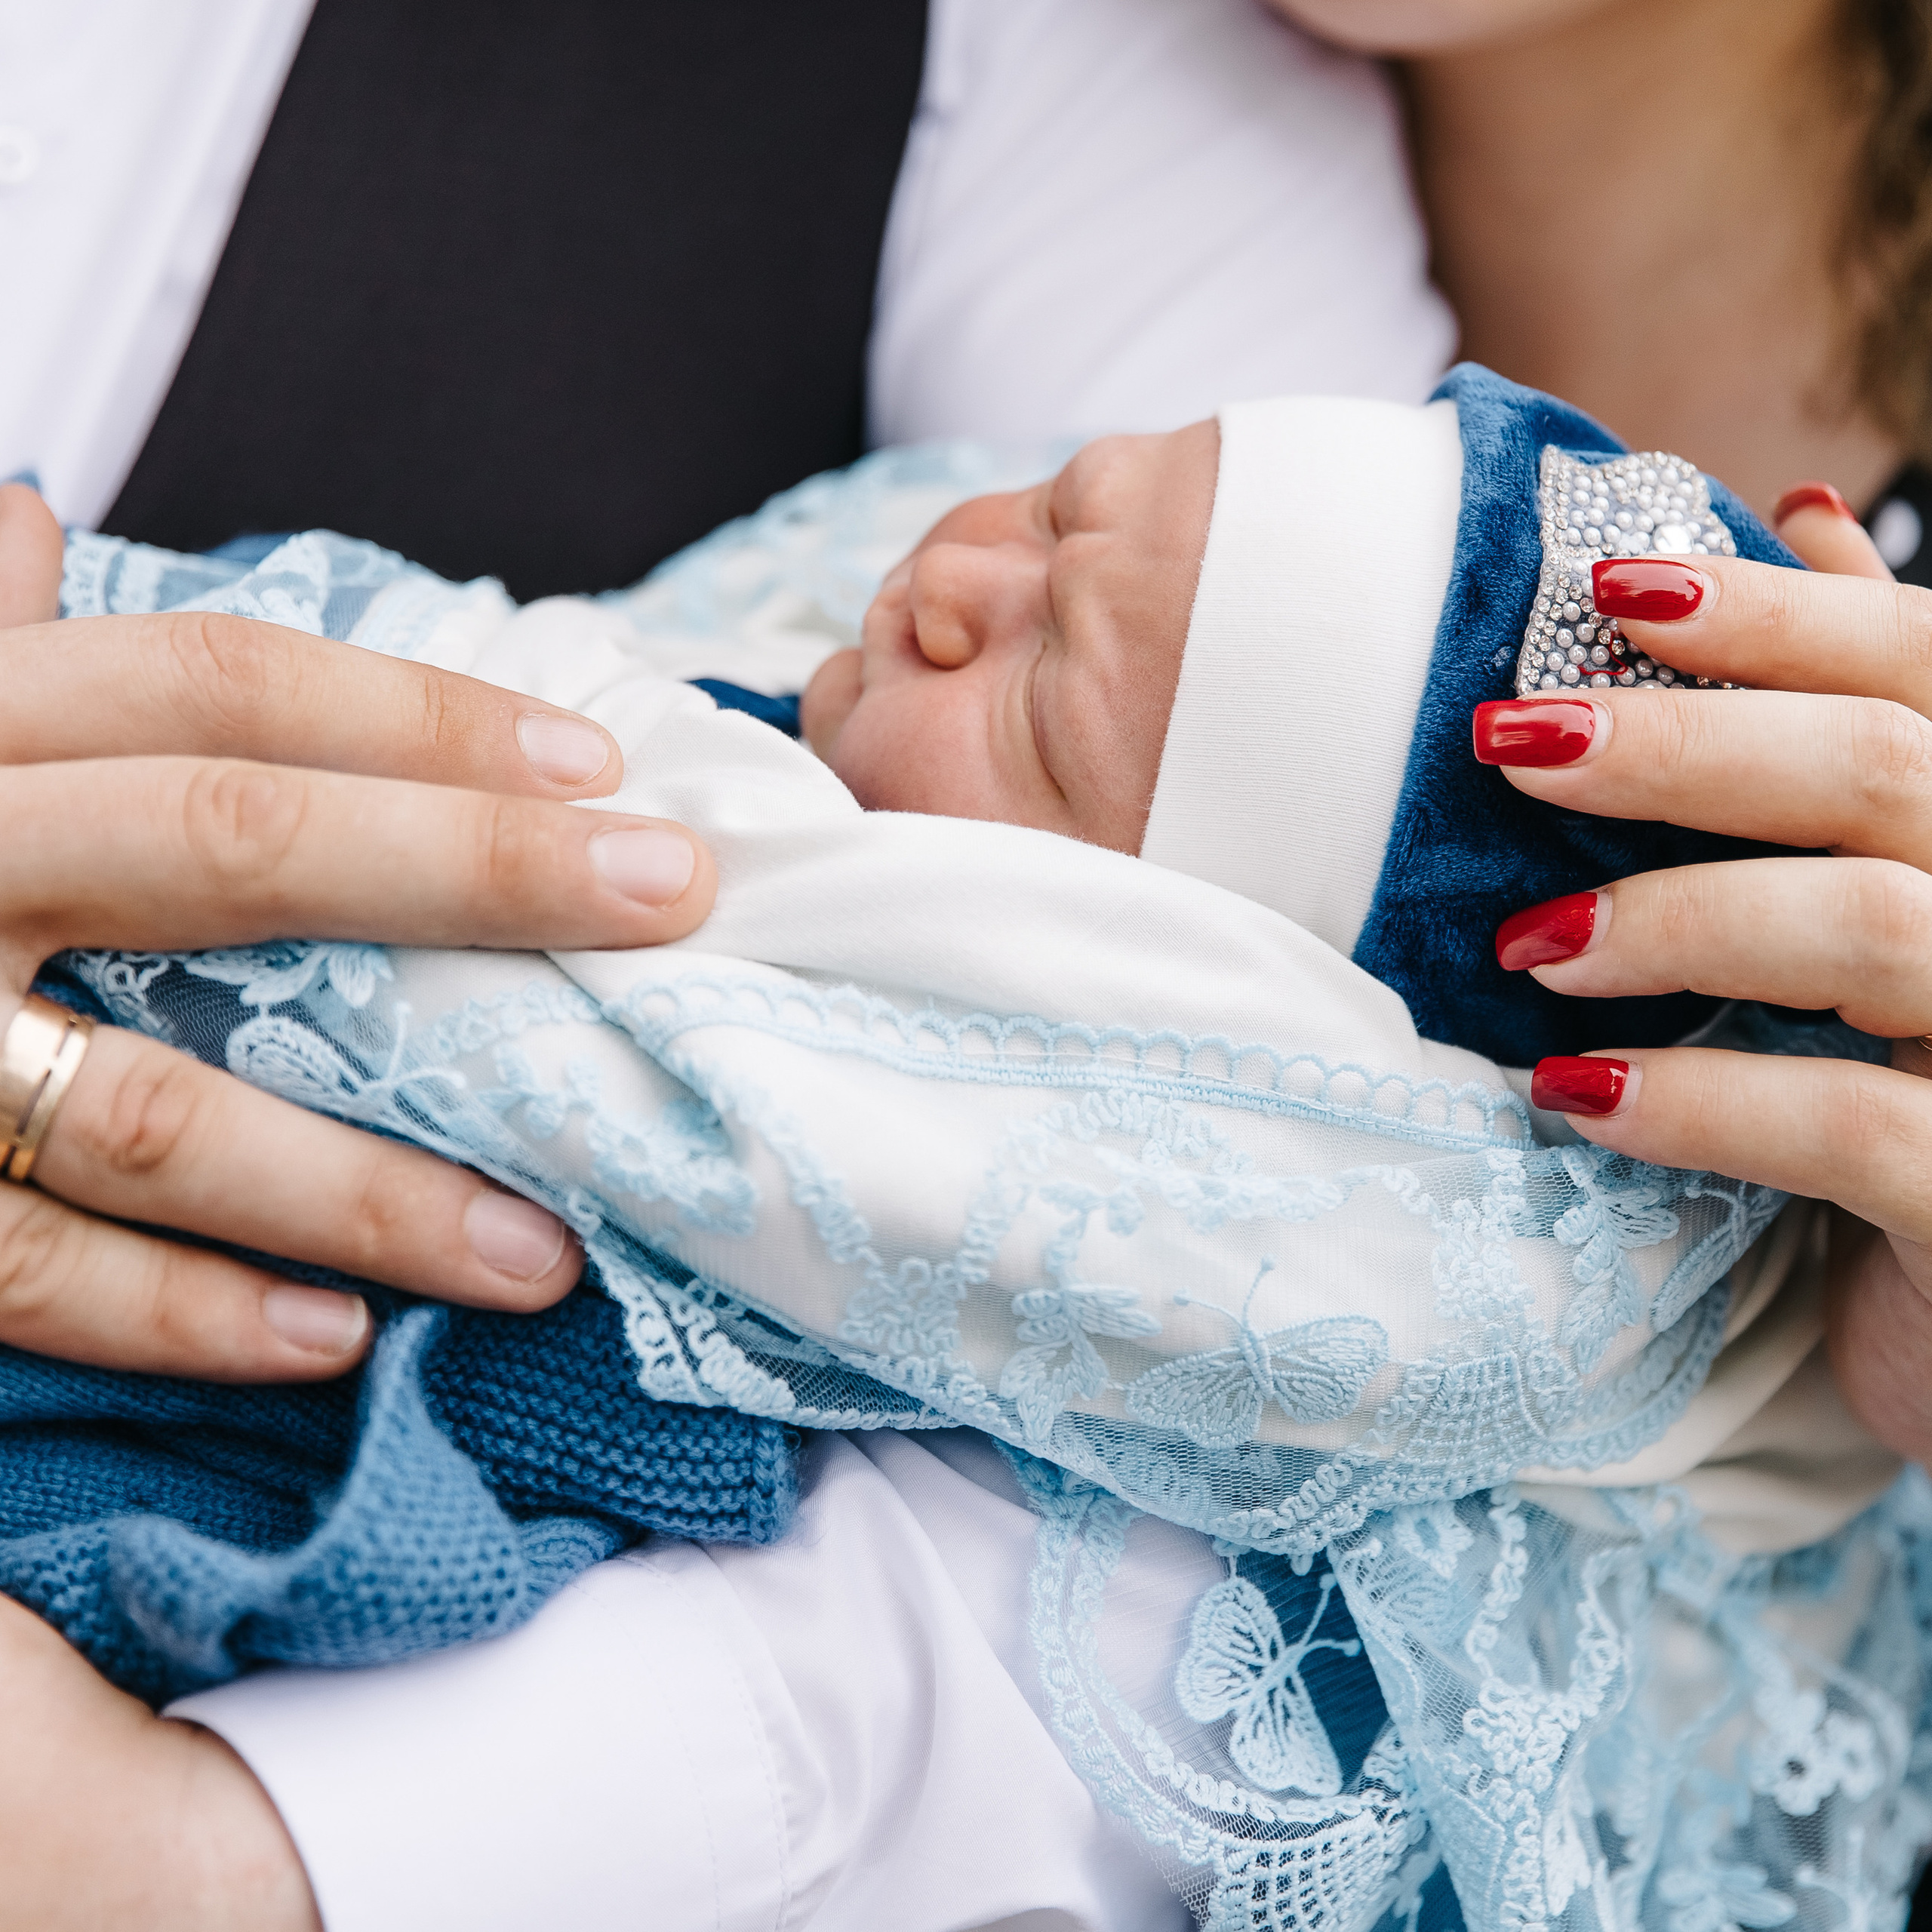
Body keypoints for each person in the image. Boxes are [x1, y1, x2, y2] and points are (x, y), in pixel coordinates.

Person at [11, 0, 1932, 1924]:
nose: (944, 581)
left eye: (1050, 717)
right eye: (1053, 501)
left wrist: (264, 1854)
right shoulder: (1131, 142)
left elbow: (1202, 1412)